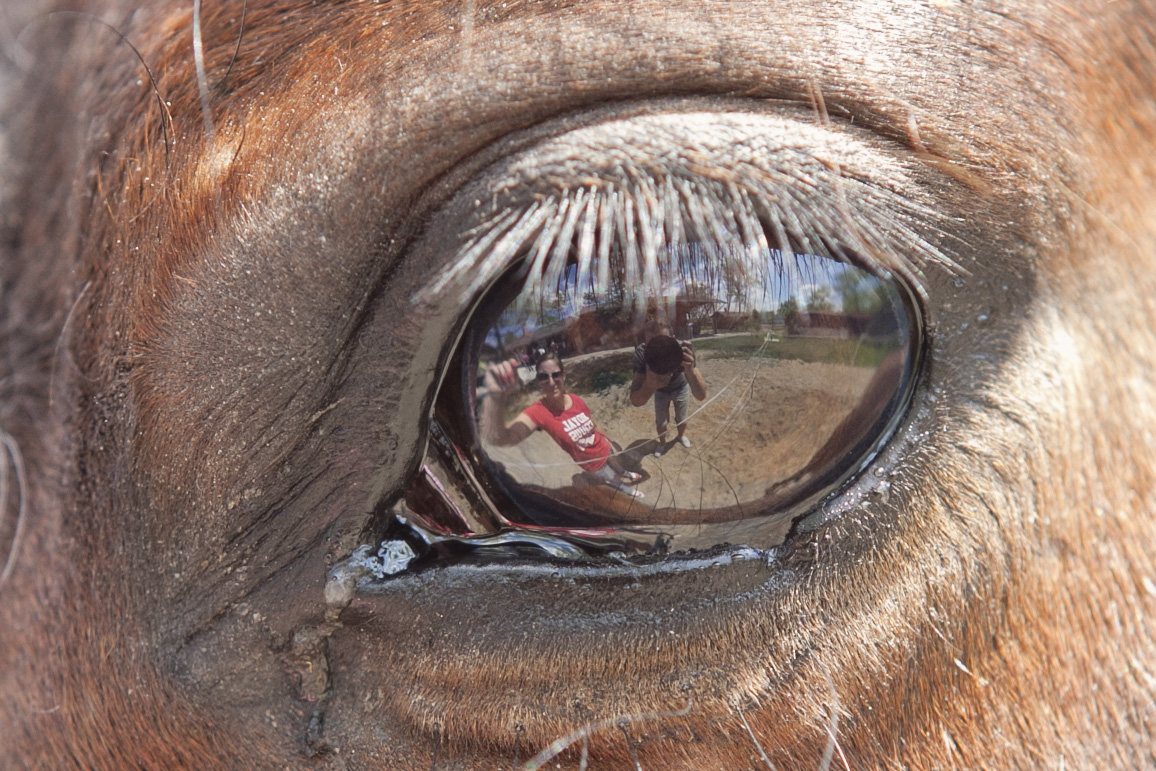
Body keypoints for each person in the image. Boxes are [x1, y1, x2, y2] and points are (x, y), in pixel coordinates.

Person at [481, 353, 643, 498]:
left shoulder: (576, 399)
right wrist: (496, 398)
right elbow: (504, 438)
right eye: (544, 377)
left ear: (563, 376)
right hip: (591, 463)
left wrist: (609, 439)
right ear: (539, 382)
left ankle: (626, 473)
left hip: (604, 447)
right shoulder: (538, 412)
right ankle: (625, 489)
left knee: (616, 463)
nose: (551, 382)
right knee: (610, 476)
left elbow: (593, 424)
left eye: (555, 375)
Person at [629, 321, 708, 456]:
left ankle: (680, 436)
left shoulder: (681, 351)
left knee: (682, 418)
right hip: (659, 391)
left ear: (674, 339)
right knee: (661, 421)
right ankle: (662, 443)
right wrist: (650, 385)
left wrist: (690, 370)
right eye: (652, 345)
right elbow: (636, 401)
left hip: (680, 386)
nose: (658, 350)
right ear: (646, 344)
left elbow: (701, 395)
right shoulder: (643, 354)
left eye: (663, 343)